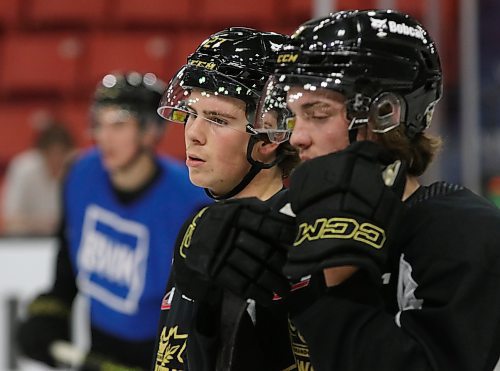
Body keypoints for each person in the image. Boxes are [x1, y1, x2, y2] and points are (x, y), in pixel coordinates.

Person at [253, 9, 500, 371]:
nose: (297, 137)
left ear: (386, 112)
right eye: (293, 116)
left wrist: (339, 288)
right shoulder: (284, 221)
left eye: (318, 114)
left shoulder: (465, 235)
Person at [16, 71, 210, 370]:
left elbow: (202, 310)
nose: (103, 137)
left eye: (118, 124)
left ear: (149, 131)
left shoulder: (190, 201)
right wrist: (51, 311)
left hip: (160, 350)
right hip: (100, 345)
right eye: (99, 123)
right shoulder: (81, 175)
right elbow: (67, 261)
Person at [151, 27, 301, 371]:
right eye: (190, 113)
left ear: (271, 136)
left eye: (217, 119)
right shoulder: (203, 224)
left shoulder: (287, 241)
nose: (193, 133)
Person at [1, 121, 75, 235]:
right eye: (52, 154)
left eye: (61, 154)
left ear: (69, 153)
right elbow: (9, 219)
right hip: (26, 244)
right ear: (41, 152)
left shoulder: (77, 169)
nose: (56, 160)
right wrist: (42, 224)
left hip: (65, 241)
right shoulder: (23, 169)